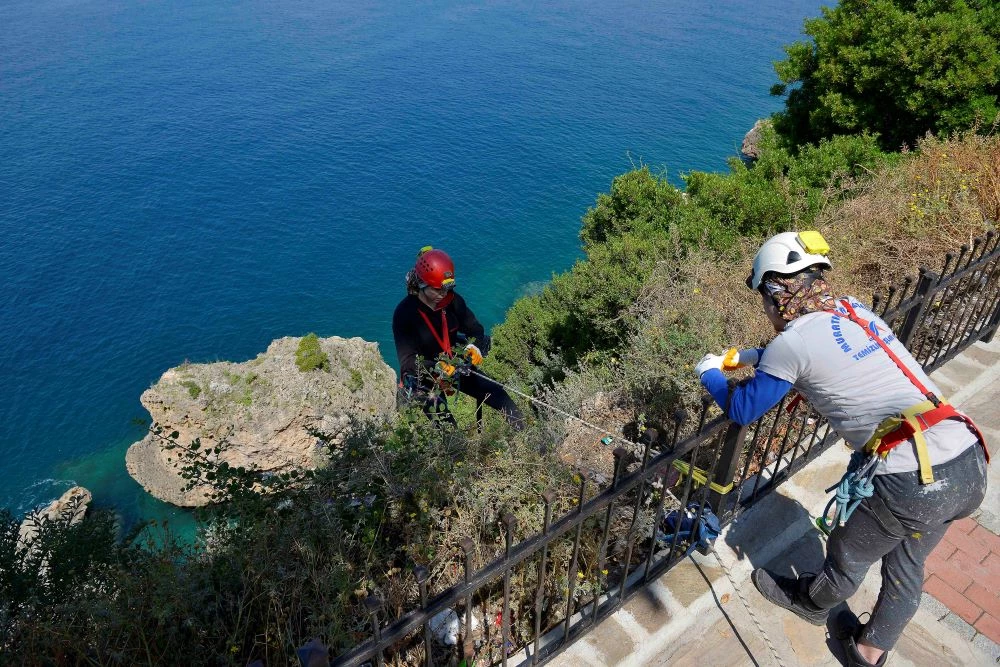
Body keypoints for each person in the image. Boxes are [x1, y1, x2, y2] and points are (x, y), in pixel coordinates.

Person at [694, 231, 989, 667]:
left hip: (915, 479)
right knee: (907, 565)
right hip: (966, 459)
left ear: (776, 292)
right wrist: (754, 356)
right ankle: (868, 652)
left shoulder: (792, 343)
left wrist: (710, 373)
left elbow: (742, 408)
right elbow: (824, 350)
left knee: (847, 551)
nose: (766, 309)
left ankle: (811, 604)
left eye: (764, 298)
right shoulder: (852, 308)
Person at [392, 246, 524, 430]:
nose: (443, 295)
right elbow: (407, 362)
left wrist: (475, 347)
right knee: (447, 428)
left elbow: (475, 329)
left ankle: (528, 435)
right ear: (422, 284)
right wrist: (437, 367)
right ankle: (455, 445)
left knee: (496, 393)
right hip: (423, 375)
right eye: (438, 290)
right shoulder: (405, 314)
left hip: (453, 361)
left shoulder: (452, 301)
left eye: (447, 289)